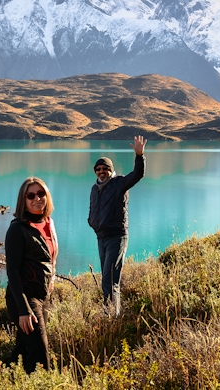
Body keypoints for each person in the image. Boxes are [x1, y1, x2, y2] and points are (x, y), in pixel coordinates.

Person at [5, 177, 58, 373]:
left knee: (24, 349)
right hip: (25, 297)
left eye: (41, 193)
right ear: (24, 201)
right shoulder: (17, 229)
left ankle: (7, 379)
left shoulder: (48, 223)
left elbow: (51, 257)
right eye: (31, 195)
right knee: (40, 353)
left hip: (43, 296)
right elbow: (12, 270)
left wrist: (51, 282)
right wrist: (23, 310)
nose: (37, 198)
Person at [88, 135, 146, 315]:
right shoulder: (94, 188)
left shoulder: (119, 183)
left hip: (116, 237)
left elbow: (138, 175)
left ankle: (112, 316)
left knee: (110, 279)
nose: (101, 171)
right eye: (98, 169)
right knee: (107, 277)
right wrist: (92, 223)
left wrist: (139, 155)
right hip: (101, 237)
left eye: (105, 168)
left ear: (110, 170)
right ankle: (111, 313)